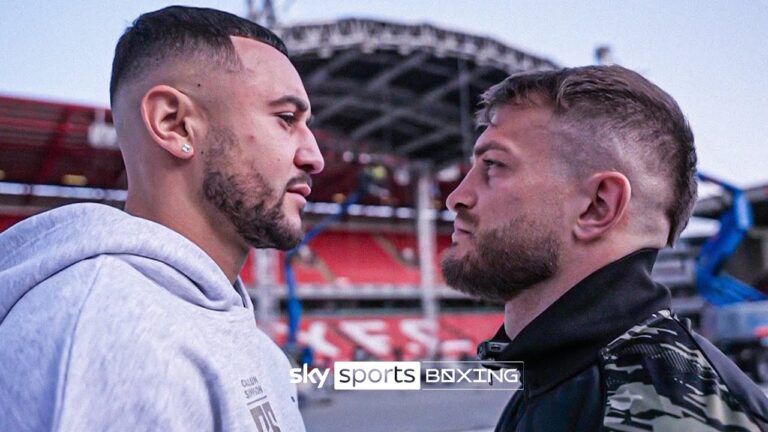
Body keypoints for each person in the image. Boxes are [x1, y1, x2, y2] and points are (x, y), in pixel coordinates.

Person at [0, 6, 322, 431]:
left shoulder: (226, 331)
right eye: (285, 119)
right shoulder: (114, 337)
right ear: (174, 124)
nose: (315, 157)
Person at [440, 65, 768, 431]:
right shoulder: (570, 376)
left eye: (495, 166)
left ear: (598, 205)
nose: (456, 197)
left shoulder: (656, 413)